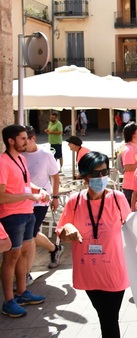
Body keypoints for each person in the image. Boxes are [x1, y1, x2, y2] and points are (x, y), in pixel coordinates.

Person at [55, 151, 131, 337]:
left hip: (113, 270)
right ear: (84, 176)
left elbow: (132, 228)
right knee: (104, 315)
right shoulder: (74, 201)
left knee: (108, 318)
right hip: (88, 270)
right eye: (94, 174)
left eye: (104, 172)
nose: (101, 177)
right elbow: (62, 231)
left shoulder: (117, 198)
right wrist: (68, 228)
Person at [0, 125, 48, 318]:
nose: (26, 141)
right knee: (11, 257)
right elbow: (1, 196)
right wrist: (27, 197)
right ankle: (9, 301)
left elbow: (26, 184)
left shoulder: (20, 159)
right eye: (22, 139)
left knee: (23, 254)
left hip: (26, 212)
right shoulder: (3, 162)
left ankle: (21, 293)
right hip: (12, 215)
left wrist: (38, 190)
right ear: (11, 141)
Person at [23, 126, 64, 276]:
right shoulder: (19, 155)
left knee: (31, 234)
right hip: (23, 200)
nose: (22, 145)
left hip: (41, 200)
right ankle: (54, 249)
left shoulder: (45, 154)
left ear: (32, 138)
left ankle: (26, 273)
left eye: (24, 140)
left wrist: (55, 197)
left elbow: (55, 176)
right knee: (31, 234)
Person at [121, 122, 137, 205]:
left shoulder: (136, 146)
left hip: (136, 185)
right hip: (130, 187)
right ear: (133, 134)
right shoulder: (129, 149)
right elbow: (127, 167)